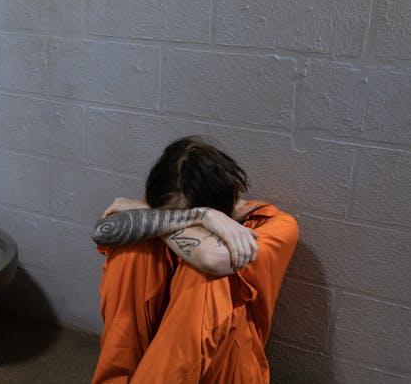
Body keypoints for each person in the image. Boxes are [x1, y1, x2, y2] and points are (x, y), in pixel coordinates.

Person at [91, 136, 299, 383]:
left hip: (225, 367)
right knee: (133, 251)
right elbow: (103, 231)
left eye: (191, 213)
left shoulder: (276, 226)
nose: (178, 217)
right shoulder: (178, 201)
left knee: (206, 277)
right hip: (152, 358)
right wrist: (199, 216)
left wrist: (183, 217)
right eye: (173, 214)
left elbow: (214, 259)